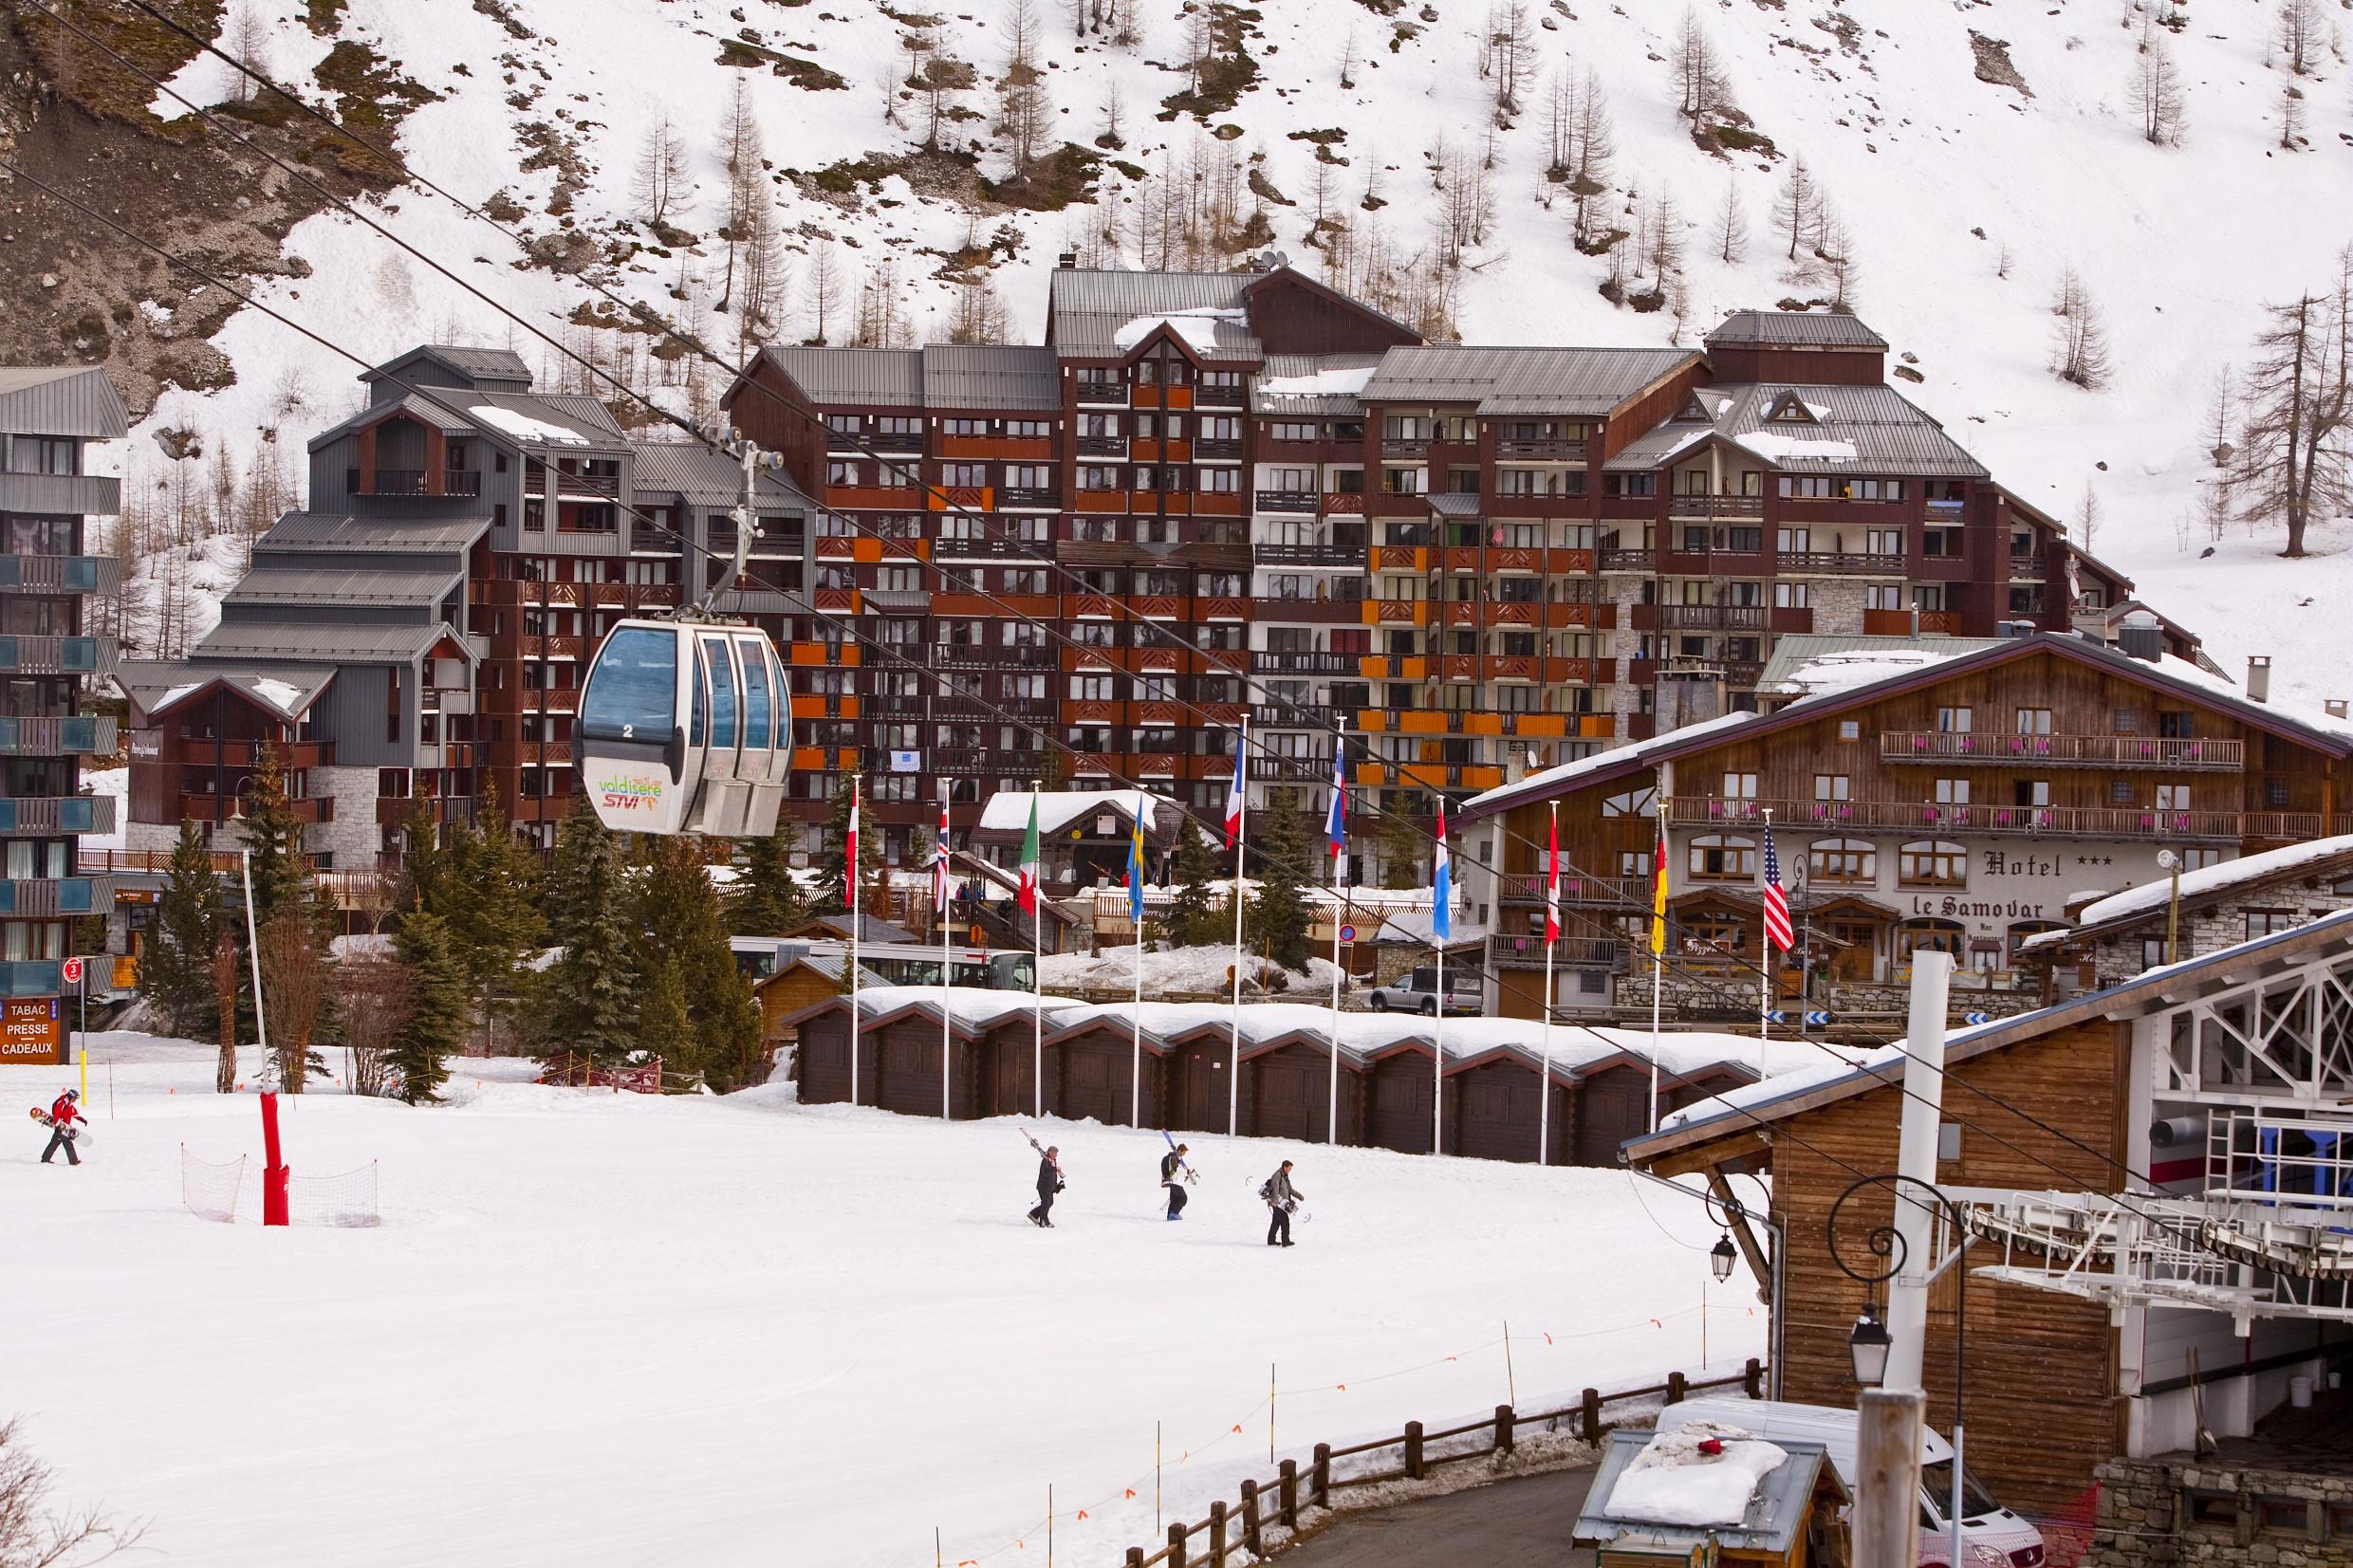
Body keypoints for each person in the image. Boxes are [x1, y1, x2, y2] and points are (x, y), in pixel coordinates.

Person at [1262, 1159, 1302, 1247]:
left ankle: (1271, 1240)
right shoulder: (1277, 1175)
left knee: (1276, 1222)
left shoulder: (1285, 1176)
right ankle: (1285, 1241)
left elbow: (1290, 1190)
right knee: (1285, 1221)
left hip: (1283, 1204)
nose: (1290, 1170)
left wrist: (1299, 1196)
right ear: (1284, 1167)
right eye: (1289, 1168)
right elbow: (1275, 1189)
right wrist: (1274, 1202)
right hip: (1277, 1203)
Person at [41, 1088, 83, 1167]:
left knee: (54, 1143)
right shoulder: (61, 1103)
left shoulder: (68, 1103)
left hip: (62, 1126)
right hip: (61, 1127)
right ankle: (73, 1161)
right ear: (70, 1097)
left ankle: (45, 1159)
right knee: (68, 1144)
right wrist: (57, 1124)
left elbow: (73, 1112)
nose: (74, 1101)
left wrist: (81, 1119)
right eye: (74, 1099)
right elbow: (56, 1113)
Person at [1028, 1144, 1064, 1227]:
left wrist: (1056, 1187)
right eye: (1055, 1153)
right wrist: (1055, 1169)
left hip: (1049, 1187)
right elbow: (1046, 1172)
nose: (1056, 1155)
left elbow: (1052, 1176)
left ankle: (1033, 1214)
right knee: (1046, 1203)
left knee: (1049, 1202)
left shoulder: (1052, 1161)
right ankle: (1044, 1221)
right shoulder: (1045, 1161)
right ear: (1050, 1152)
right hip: (1044, 1187)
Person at [1160, 1143, 1191, 1221]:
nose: (1185, 1153)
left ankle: (1170, 1216)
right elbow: (1175, 1169)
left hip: (1174, 1182)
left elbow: (1176, 1171)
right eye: (1184, 1151)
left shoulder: (1177, 1158)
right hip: (1175, 1182)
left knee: (1174, 1199)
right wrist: (1186, 1172)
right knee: (1183, 1198)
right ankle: (1174, 1213)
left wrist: (1185, 1176)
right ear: (1180, 1150)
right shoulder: (1174, 1158)